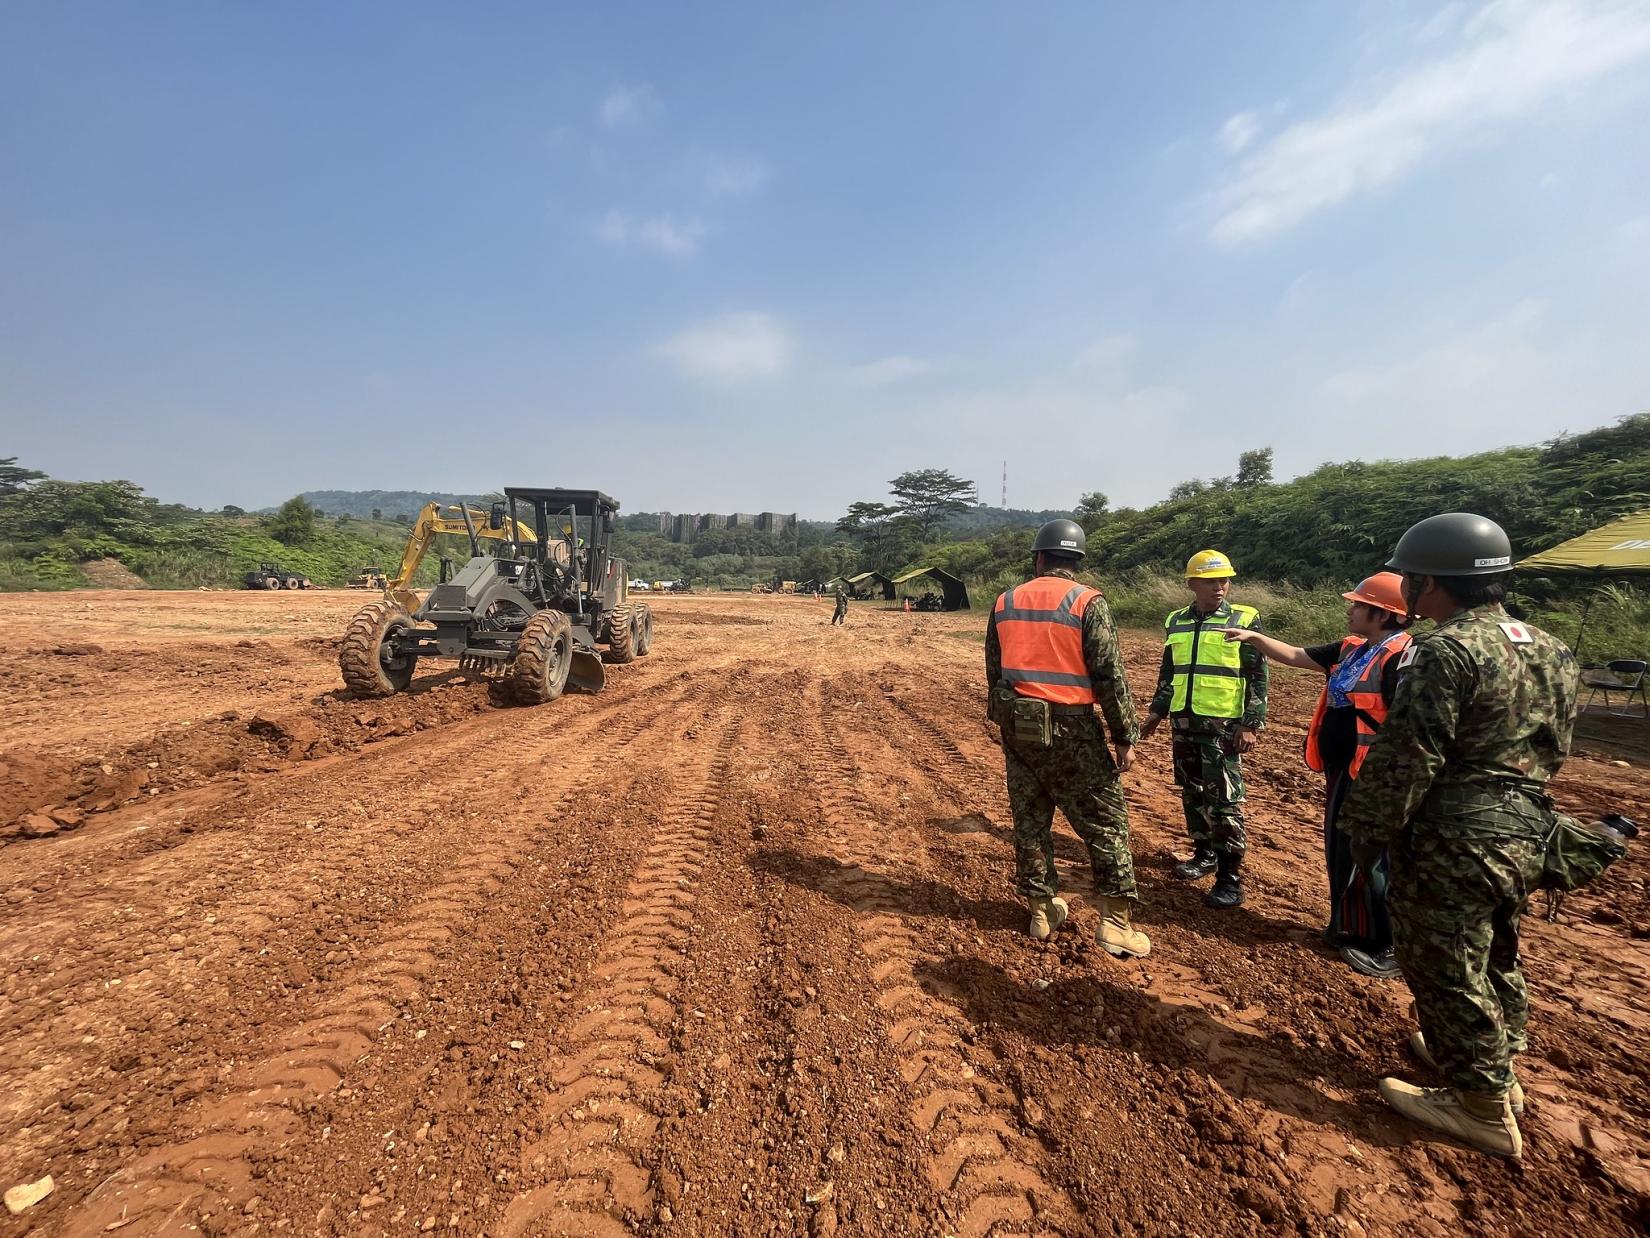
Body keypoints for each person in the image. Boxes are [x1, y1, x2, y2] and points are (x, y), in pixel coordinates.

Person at [1340, 513, 1579, 1160]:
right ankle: (1495, 1064)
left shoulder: (1446, 651)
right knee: (1496, 947)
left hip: (1456, 835)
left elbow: (1410, 755)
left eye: (1410, 580)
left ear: (1429, 584)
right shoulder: (1548, 646)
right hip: (1525, 828)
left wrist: (1366, 832)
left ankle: (1480, 1104)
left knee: (1444, 962)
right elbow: (1554, 747)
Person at [1220, 572, 1414, 976]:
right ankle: (1347, 929)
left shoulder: (1403, 657)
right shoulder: (1352, 649)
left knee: (1375, 860)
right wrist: (1253, 637)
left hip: (1375, 778)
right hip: (1345, 771)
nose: (1350, 609)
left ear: (1382, 614)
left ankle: (1389, 945)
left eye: (1358, 605)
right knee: (1343, 853)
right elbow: (1294, 655)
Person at [985, 519, 1148, 956]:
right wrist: (1124, 735)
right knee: (1106, 823)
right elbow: (1109, 675)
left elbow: (994, 673)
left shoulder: (1005, 602)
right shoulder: (1087, 602)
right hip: (1073, 727)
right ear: (1075, 561)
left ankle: (1041, 910)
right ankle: (1115, 923)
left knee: (1031, 820)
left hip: (1020, 726)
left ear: (1038, 558)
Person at [1139, 550, 1267, 909]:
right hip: (1183, 722)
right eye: (1211, 581)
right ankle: (1203, 854)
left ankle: (1230, 879)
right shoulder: (1176, 621)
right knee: (1192, 792)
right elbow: (1170, 672)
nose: (1220, 587)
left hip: (1222, 728)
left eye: (1225, 580)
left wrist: (1252, 723)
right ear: (1192, 584)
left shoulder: (1244, 619)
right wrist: (1156, 711)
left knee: (1224, 801)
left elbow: (1258, 675)